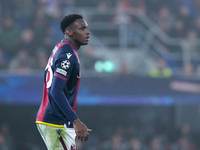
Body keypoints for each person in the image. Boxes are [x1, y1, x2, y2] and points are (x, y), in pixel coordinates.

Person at [36, 14, 91, 150]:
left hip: (55, 120)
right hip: (55, 122)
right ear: (69, 32)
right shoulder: (68, 55)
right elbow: (56, 90)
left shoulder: (62, 48)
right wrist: (76, 121)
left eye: (87, 28)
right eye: (82, 28)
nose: (87, 32)